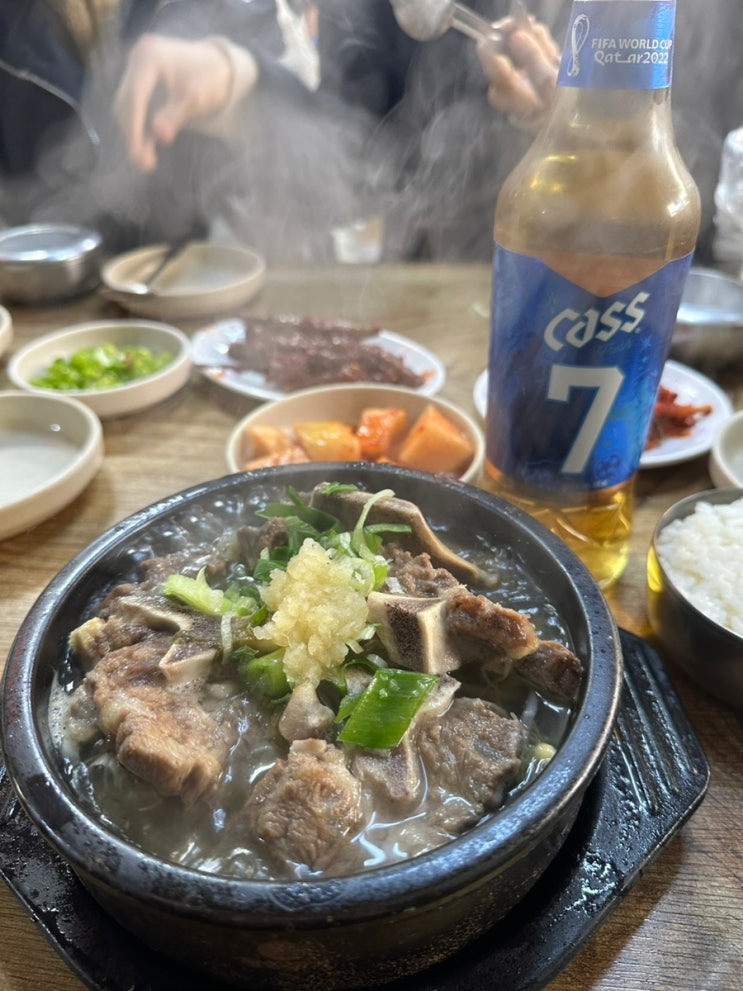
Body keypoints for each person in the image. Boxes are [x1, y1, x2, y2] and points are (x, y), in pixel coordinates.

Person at [111, 1, 565, 262]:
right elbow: (365, 158)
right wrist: (241, 81)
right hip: (416, 282)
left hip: (526, 281)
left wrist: (560, 128)